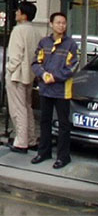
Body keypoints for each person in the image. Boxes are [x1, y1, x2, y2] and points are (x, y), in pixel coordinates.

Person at [31, 12, 78, 169]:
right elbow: (35, 62)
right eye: (58, 22)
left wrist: (55, 77)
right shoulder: (44, 42)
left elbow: (72, 66)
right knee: (45, 121)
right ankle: (43, 152)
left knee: (63, 124)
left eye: (63, 23)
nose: (61, 25)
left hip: (62, 90)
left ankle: (63, 156)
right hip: (45, 89)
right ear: (51, 24)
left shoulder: (70, 44)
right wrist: (43, 74)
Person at [4, 1, 39, 153]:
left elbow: (15, 55)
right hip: (30, 74)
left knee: (18, 109)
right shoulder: (36, 31)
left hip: (17, 74)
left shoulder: (18, 30)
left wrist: (9, 68)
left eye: (18, 11)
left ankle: (21, 141)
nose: (16, 13)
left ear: (23, 14)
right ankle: (30, 139)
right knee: (27, 107)